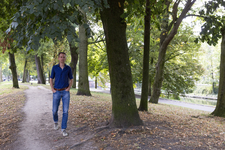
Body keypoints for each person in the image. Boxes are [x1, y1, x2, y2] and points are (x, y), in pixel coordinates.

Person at [50, 52, 73, 136]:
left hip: (65, 92)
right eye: (61, 57)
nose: (62, 58)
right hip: (56, 91)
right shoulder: (54, 68)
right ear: (58, 58)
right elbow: (51, 79)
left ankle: (63, 128)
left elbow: (71, 79)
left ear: (65, 58)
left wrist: (68, 88)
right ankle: (56, 122)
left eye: (63, 57)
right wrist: (52, 89)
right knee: (54, 110)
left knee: (65, 111)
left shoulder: (68, 68)